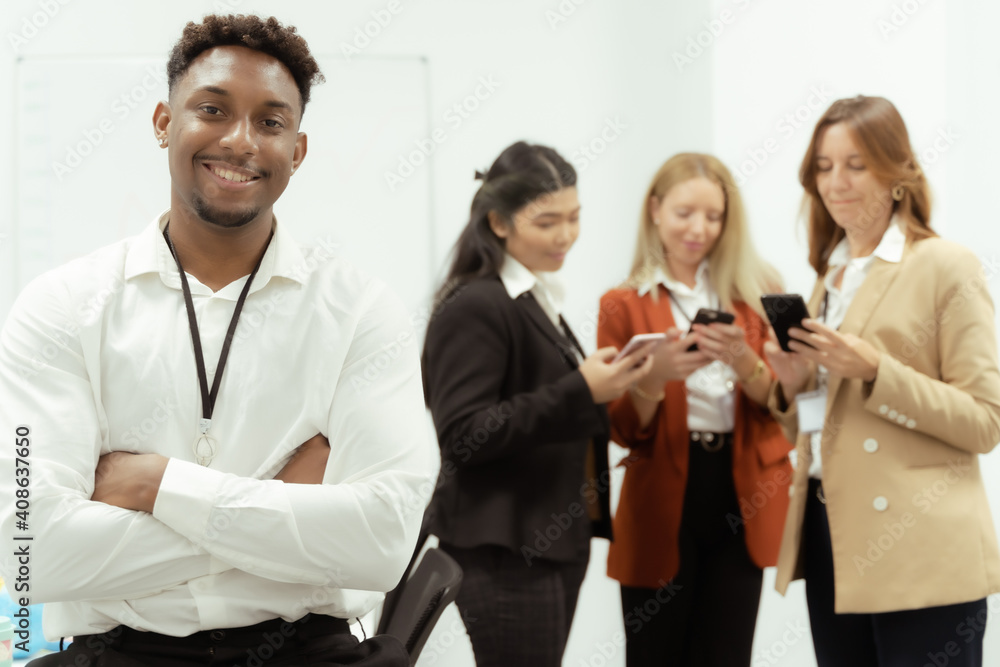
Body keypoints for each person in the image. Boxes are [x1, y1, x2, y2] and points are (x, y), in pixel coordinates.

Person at [0, 14, 434, 667]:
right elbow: (30, 552)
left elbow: (382, 542)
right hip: (121, 654)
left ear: (299, 149)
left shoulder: (361, 313)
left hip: (307, 651)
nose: (240, 140)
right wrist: (287, 508)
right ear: (162, 122)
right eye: (212, 109)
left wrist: (155, 484)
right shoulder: (62, 307)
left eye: (270, 121)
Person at [764, 95, 1000, 667]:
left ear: (897, 173)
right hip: (830, 530)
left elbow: (985, 421)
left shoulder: (946, 265)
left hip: (920, 547)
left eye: (856, 164)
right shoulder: (830, 275)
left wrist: (876, 371)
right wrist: (795, 386)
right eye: (823, 166)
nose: (836, 182)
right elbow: (831, 420)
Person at [421, 141, 654, 666]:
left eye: (574, 218)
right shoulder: (476, 304)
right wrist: (581, 389)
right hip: (506, 551)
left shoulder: (531, 298)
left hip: (546, 542)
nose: (566, 235)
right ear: (499, 223)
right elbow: (463, 434)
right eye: (547, 222)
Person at [598, 153, 793, 666]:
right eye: (685, 213)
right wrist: (655, 381)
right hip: (662, 488)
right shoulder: (623, 303)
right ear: (655, 210)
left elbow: (786, 406)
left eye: (714, 216)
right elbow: (619, 428)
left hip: (740, 489)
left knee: (727, 653)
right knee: (655, 652)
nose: (699, 229)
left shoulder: (758, 291)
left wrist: (743, 359)